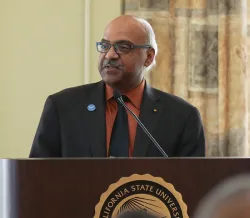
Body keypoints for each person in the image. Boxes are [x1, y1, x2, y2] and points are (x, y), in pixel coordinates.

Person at [29, 15, 205, 158]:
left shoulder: (182, 117)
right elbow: (37, 180)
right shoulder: (63, 108)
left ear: (149, 57)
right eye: (105, 46)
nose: (110, 55)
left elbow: (191, 187)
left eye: (123, 47)